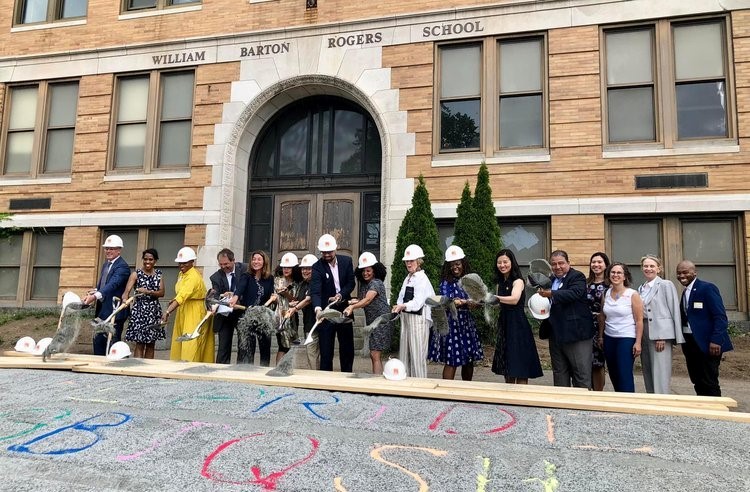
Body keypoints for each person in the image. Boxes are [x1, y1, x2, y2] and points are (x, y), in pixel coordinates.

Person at [676, 260, 734, 396]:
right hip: (690, 343)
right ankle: (703, 409)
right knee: (696, 379)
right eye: (678, 273)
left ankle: (716, 412)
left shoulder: (707, 288)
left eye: (685, 272)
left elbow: (720, 316)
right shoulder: (685, 293)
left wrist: (716, 340)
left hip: (708, 344)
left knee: (709, 380)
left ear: (694, 272)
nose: (681, 275)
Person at [537, 250, 594, 388]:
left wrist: (551, 293)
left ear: (568, 263)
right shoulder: (549, 280)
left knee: (581, 373)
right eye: (554, 264)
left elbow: (574, 293)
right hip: (555, 333)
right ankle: (561, 406)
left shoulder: (577, 276)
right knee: (559, 372)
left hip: (576, 334)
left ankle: (583, 406)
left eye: (561, 263)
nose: (557, 267)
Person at [427, 245, 483, 381]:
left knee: (469, 360)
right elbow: (448, 302)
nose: (455, 267)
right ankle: (446, 393)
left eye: (457, 264)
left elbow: (478, 302)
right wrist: (463, 302)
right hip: (452, 324)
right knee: (451, 360)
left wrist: (473, 303)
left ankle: (466, 390)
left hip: (466, 324)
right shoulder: (446, 283)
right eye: (451, 265)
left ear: (463, 263)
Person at [491, 248, 543, 384]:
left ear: (512, 262)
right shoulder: (500, 282)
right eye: (499, 263)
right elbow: (499, 303)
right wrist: (482, 301)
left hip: (518, 325)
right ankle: (509, 399)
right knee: (507, 365)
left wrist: (494, 298)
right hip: (505, 324)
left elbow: (514, 299)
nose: (502, 265)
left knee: (520, 366)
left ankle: (522, 399)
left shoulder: (518, 281)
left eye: (505, 262)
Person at [639, 254, 684, 394]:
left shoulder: (665, 285)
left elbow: (673, 310)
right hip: (644, 332)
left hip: (660, 334)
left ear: (659, 269)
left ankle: (662, 400)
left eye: (652, 266)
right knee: (647, 368)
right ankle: (651, 397)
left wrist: (663, 336)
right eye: (645, 266)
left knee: (660, 370)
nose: (648, 268)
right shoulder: (641, 288)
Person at [310, 234, 355, 372]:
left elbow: (351, 283)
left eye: (329, 252)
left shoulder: (347, 261)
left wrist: (341, 295)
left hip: (343, 311)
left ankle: (346, 378)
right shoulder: (317, 267)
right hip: (326, 313)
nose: (327, 254)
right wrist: (318, 309)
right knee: (326, 351)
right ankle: (326, 381)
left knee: (347, 349)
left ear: (335, 250)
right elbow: (315, 291)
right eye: (324, 252)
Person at [162, 247, 214, 363]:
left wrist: (167, 311)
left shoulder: (193, 277)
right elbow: (180, 293)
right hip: (184, 307)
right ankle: (177, 365)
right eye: (180, 263)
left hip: (195, 309)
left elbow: (183, 296)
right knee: (180, 338)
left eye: (185, 263)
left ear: (192, 262)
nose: (181, 265)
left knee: (191, 340)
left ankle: (190, 366)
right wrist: (174, 300)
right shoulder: (182, 274)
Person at [344, 252, 394, 375]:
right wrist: (346, 301)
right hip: (373, 323)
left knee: (375, 354)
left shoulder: (376, 283)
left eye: (368, 270)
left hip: (381, 322)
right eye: (363, 271)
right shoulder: (366, 285)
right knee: (374, 354)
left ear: (375, 270)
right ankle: (378, 379)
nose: (365, 273)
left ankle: (377, 383)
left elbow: (367, 300)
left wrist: (352, 307)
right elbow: (361, 299)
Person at [598, 262, 643, 392]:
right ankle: (618, 401)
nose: (615, 275)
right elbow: (602, 316)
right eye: (613, 272)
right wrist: (601, 336)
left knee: (624, 373)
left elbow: (639, 320)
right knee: (614, 373)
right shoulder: (606, 293)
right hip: (609, 338)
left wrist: (638, 343)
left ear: (624, 276)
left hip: (626, 338)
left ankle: (629, 403)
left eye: (619, 273)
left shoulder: (632, 295)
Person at [83, 234, 131, 356]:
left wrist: (95, 297)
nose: (108, 251)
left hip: (115, 311)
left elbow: (113, 284)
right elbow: (104, 284)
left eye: (112, 248)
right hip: (102, 310)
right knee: (98, 340)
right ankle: (97, 367)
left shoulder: (122, 267)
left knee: (111, 342)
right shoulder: (106, 265)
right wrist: (94, 291)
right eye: (106, 248)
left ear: (119, 250)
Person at [392, 244, 434, 378]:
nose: (409, 264)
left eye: (411, 261)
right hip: (407, 318)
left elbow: (417, 302)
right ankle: (406, 383)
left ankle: (420, 386)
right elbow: (401, 296)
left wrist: (402, 306)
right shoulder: (408, 277)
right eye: (407, 261)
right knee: (404, 354)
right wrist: (397, 306)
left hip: (419, 320)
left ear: (418, 261)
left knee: (417, 356)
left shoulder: (422, 279)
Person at [232, 250, 275, 365]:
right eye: (253, 259)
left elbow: (271, 295)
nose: (256, 262)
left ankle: (264, 372)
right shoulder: (246, 276)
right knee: (246, 349)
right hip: (247, 317)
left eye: (259, 259)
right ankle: (244, 372)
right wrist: (235, 297)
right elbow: (240, 288)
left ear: (264, 261)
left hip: (263, 318)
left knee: (265, 349)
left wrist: (274, 298)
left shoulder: (270, 278)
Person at [122, 248, 165, 359]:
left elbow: (162, 293)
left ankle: (148, 369)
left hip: (154, 311)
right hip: (140, 310)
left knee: (151, 343)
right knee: (140, 342)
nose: (147, 262)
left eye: (150, 259)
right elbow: (126, 292)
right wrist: (125, 300)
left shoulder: (159, 274)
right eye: (145, 259)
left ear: (155, 261)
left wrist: (148, 291)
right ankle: (137, 368)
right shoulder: (136, 274)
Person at [209, 249, 245, 364]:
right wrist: (220, 297)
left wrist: (237, 297)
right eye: (221, 264)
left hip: (241, 312)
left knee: (243, 344)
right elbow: (215, 295)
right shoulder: (215, 277)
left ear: (233, 261)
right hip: (224, 315)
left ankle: (243, 369)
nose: (224, 267)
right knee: (223, 346)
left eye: (226, 264)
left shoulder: (244, 269)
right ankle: (220, 372)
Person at [586, 252, 610, 391]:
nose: (596, 265)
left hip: (604, 326)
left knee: (598, 363)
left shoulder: (610, 285)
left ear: (605, 264)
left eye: (599, 262)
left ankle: (598, 392)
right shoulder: (585, 283)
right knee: (586, 361)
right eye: (593, 262)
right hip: (586, 326)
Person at [274, 252, 303, 364]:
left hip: (292, 316)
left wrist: (287, 294)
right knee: (283, 346)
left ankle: (288, 367)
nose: (286, 269)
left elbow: (295, 299)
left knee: (293, 344)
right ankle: (278, 368)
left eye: (289, 267)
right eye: (284, 267)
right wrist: (284, 294)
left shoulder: (298, 283)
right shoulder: (278, 280)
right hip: (280, 317)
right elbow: (277, 295)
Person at [295, 254, 319, 369]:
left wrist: (294, 308)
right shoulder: (303, 284)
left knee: (313, 354)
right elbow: (300, 300)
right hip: (308, 324)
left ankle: (315, 379)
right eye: (303, 268)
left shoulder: (316, 282)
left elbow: (308, 300)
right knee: (312, 354)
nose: (305, 271)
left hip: (318, 324)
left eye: (308, 268)